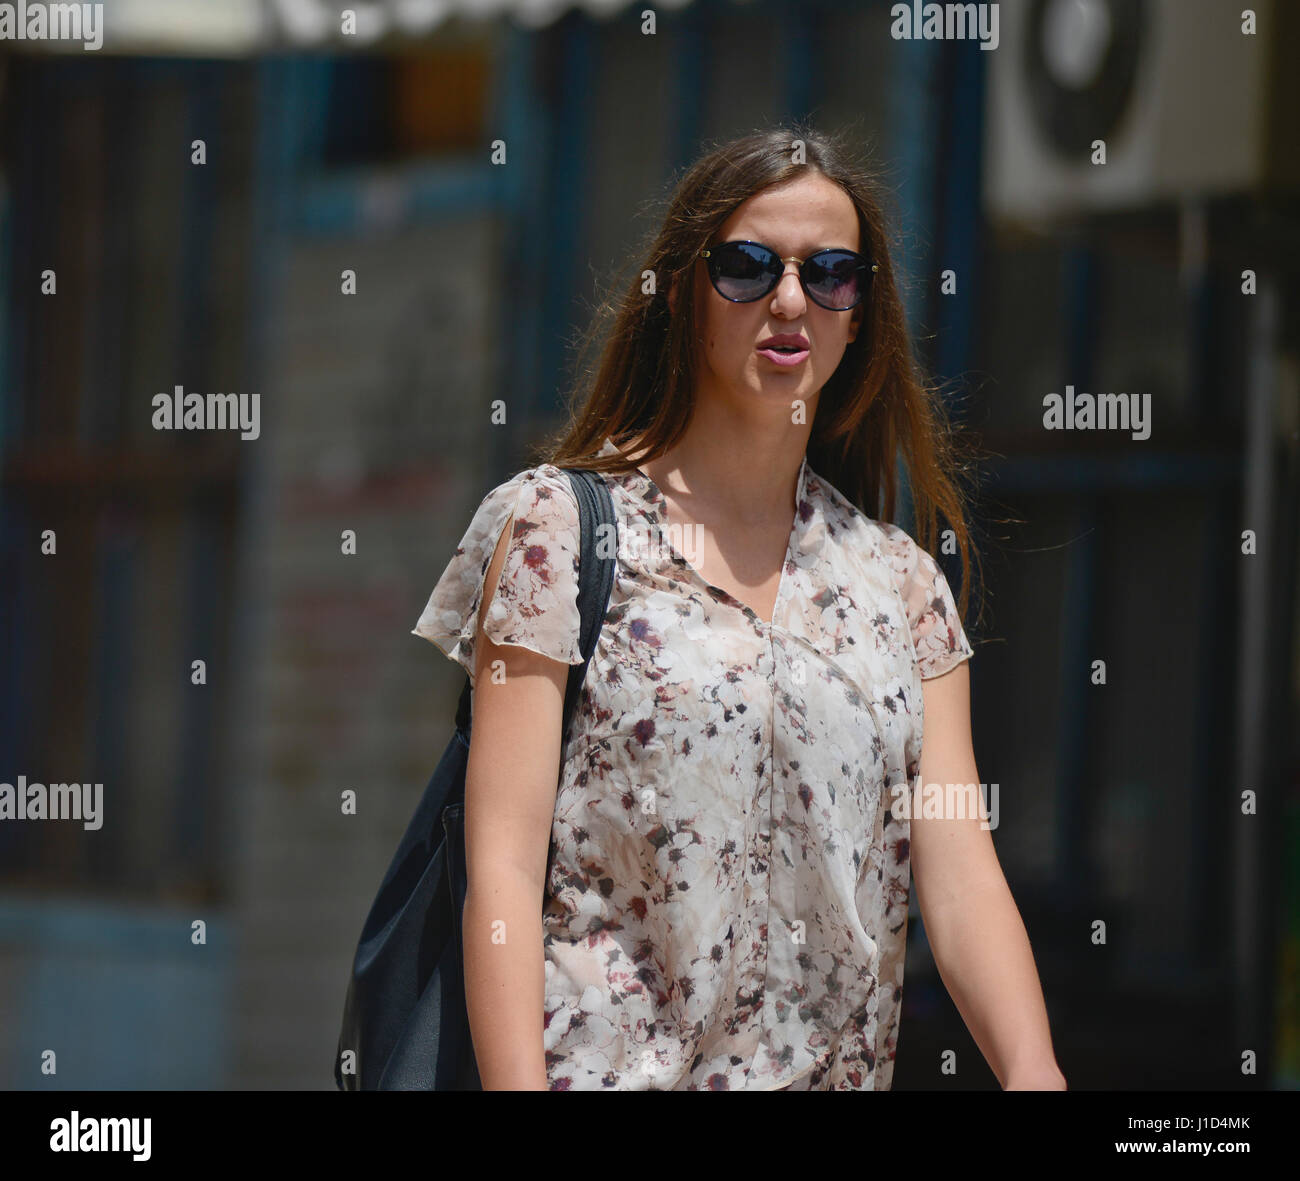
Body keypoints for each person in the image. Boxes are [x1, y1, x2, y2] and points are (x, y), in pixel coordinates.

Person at [413, 126, 1066, 1091]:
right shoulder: (559, 529)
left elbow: (962, 877)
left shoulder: (902, 589)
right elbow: (501, 867)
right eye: (748, 267)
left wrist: (1035, 1069)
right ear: (684, 292)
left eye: (832, 274)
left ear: (860, 314)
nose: (791, 299)